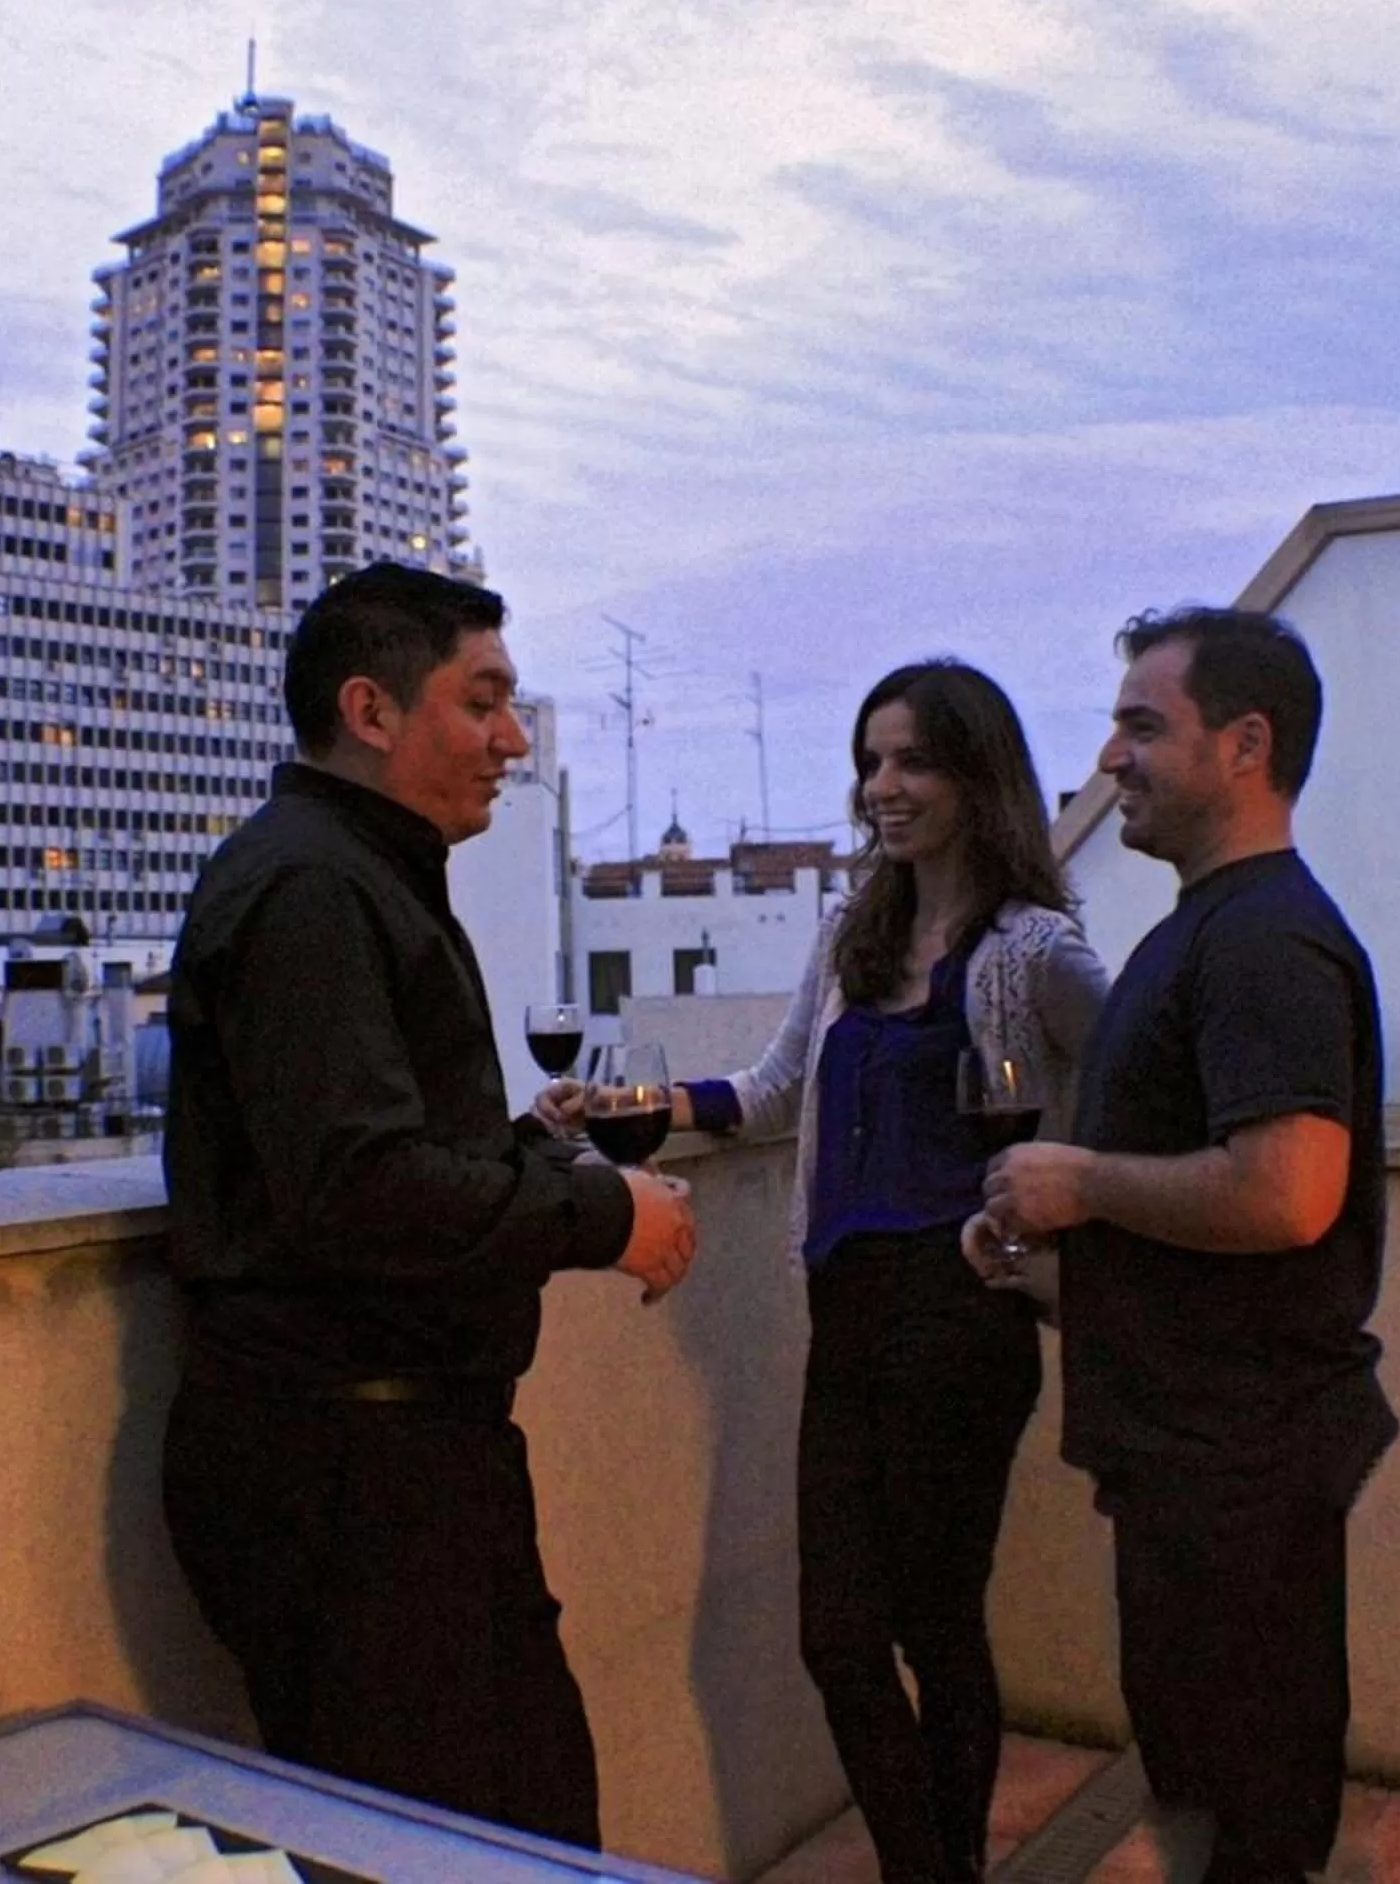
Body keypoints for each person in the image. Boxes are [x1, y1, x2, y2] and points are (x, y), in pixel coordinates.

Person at [159, 562, 697, 1849]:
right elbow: (357, 1193)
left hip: (405, 1467)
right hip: (353, 1485)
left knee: (520, 1830)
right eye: (484, 700)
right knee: (452, 1847)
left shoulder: (358, 872)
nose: (513, 738)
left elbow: (368, 1157)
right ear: (373, 710)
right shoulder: (313, 888)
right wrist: (600, 1220)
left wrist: (521, 1148)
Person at [557, 659, 1107, 1884]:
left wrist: (1070, 1203)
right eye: (870, 762)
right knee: (839, 1640)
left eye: (911, 760)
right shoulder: (852, 936)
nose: (883, 787)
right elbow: (773, 1091)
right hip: (851, 1322)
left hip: (963, 1316)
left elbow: (1138, 1078)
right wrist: (631, 1103)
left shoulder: (1032, 952)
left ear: (977, 776)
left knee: (934, 1621)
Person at [970, 607, 1395, 1884]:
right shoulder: (1202, 930)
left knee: (1251, 1818)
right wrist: (1054, 1274)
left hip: (1239, 1471)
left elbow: (1285, 1196)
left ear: (1245, 745)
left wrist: (1081, 1183)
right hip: (1201, 1461)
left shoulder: (1265, 940)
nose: (1111, 758)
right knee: (1208, 1797)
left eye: (1144, 726)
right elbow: (1215, 1237)